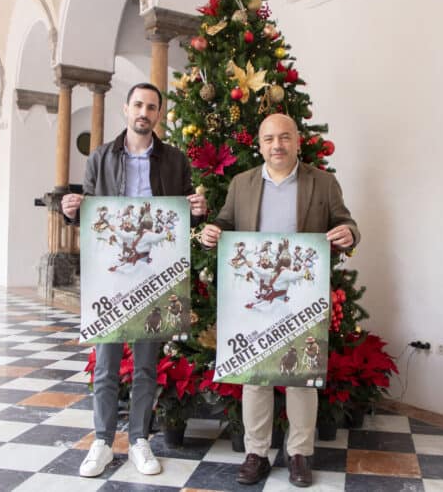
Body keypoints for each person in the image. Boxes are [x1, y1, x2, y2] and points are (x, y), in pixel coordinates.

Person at [199, 113, 359, 488]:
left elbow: (346, 221)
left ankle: (299, 453)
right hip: (254, 297)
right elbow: (225, 221)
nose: (277, 145)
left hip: (302, 296)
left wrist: (350, 234)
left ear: (298, 141)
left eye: (285, 137)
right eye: (269, 139)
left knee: (302, 377)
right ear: (260, 144)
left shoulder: (323, 183)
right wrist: (214, 231)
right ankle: (256, 452)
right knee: (256, 376)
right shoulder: (242, 183)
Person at [61, 82, 207, 479]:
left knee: (146, 365)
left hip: (156, 274)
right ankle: (103, 441)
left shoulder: (175, 161)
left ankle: (140, 438)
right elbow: (90, 212)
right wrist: (72, 210)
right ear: (126, 109)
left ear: (159, 114)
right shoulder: (100, 158)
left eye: (152, 107)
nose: (145, 112)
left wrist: (197, 211)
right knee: (106, 365)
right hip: (110, 275)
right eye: (138, 105)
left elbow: (183, 219)